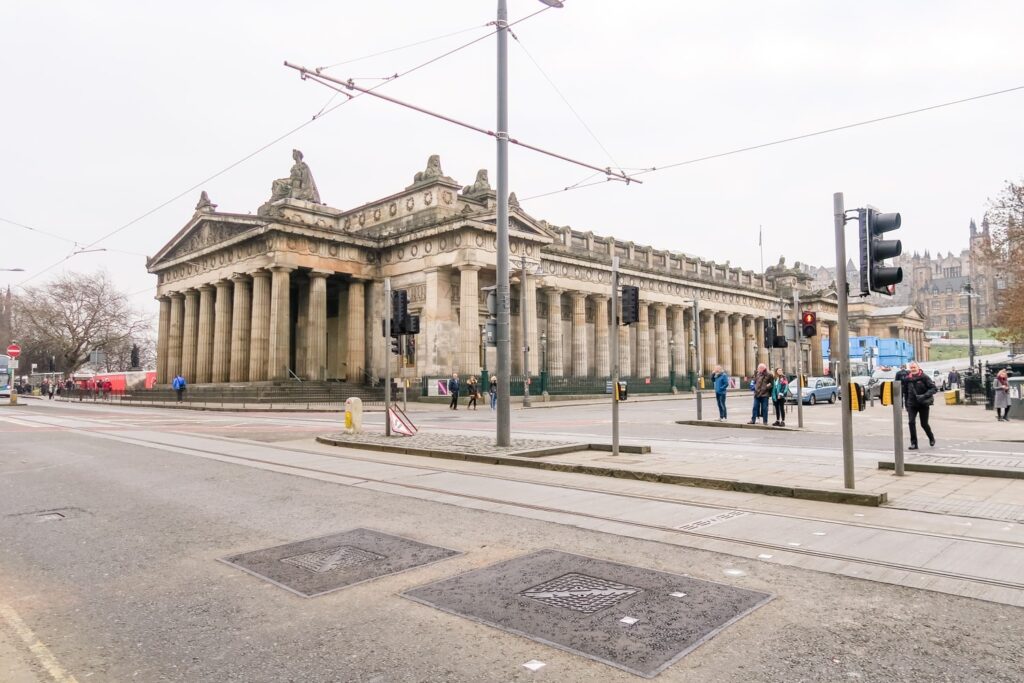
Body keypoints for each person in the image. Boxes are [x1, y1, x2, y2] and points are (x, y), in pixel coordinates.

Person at [902, 361, 937, 450]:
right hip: (912, 404)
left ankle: (931, 437)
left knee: (924, 424)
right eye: (911, 368)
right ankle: (914, 443)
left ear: (918, 368)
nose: (913, 369)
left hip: (923, 404)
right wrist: (906, 404)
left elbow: (934, 388)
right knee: (911, 422)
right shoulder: (907, 379)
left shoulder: (924, 377)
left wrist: (924, 395)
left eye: (914, 367)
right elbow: (905, 392)